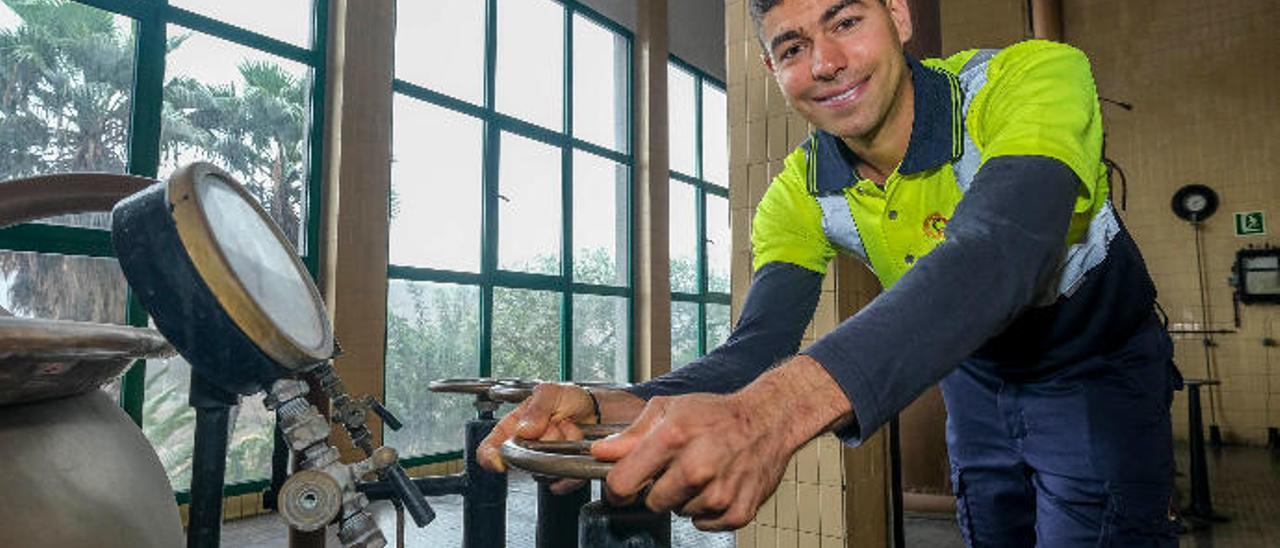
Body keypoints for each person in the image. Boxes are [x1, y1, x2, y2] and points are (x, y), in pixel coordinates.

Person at [479, 0, 1180, 545]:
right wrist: (610, 406)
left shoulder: (1030, 78)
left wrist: (774, 413)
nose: (827, 62)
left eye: (846, 21)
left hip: (1095, 365)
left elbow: (1004, 245)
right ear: (774, 72)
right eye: (793, 47)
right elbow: (755, 350)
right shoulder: (799, 192)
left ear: (899, 16)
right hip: (976, 375)